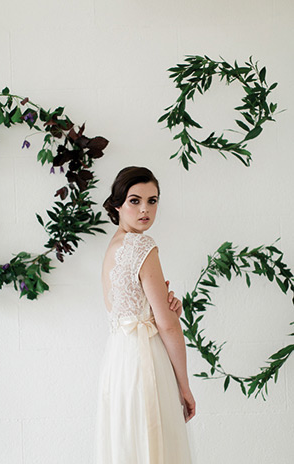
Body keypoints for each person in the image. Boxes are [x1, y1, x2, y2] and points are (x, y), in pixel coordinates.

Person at [94, 166, 195, 463]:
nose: (145, 209)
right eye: (135, 200)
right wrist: (184, 386)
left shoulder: (114, 248)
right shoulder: (142, 245)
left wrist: (159, 309)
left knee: (129, 447)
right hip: (144, 361)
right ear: (117, 204)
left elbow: (134, 309)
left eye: (152, 201)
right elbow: (167, 326)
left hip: (118, 364)